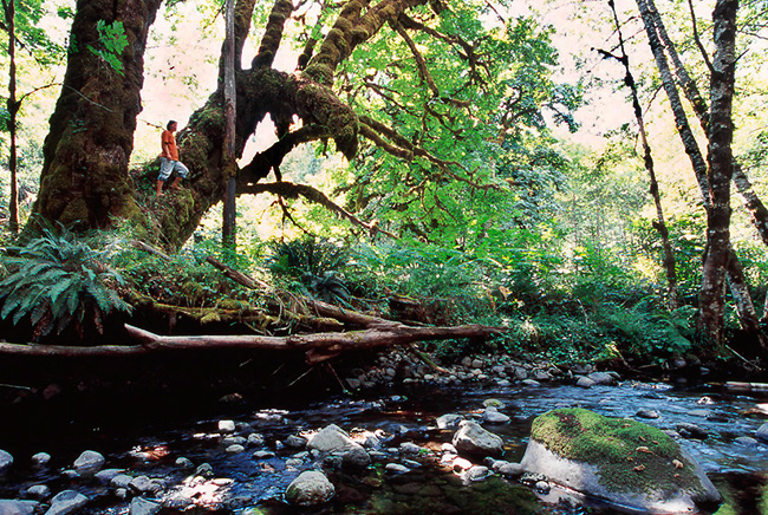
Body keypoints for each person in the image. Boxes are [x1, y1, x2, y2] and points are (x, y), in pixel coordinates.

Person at [156, 120, 189, 197]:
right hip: (168, 158)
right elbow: (165, 144)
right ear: (170, 125)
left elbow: (170, 145)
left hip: (174, 159)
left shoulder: (171, 135)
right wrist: (168, 154)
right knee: (164, 174)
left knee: (184, 170)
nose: (176, 127)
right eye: (174, 125)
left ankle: (174, 184)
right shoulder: (166, 133)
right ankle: (158, 192)